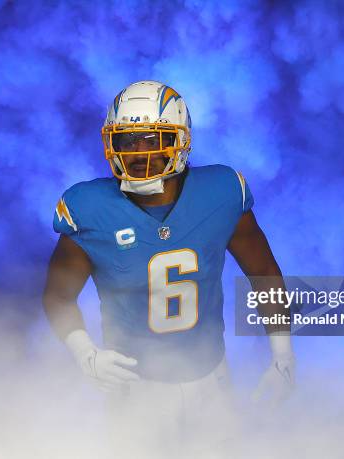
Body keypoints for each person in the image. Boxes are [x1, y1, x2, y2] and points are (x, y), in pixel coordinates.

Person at [42, 80, 295, 454]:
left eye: (154, 138)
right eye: (128, 140)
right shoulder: (89, 208)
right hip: (137, 387)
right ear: (112, 143)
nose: (140, 153)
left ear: (181, 141)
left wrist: (283, 355)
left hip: (212, 377)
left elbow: (264, 276)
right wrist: (85, 353)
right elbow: (58, 297)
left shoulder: (221, 192)